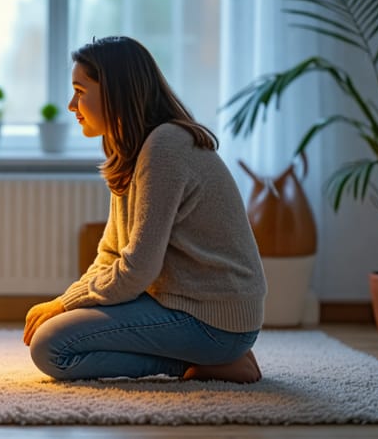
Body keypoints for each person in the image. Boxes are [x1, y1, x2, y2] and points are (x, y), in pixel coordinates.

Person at [23, 36, 266, 384]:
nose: (70, 104)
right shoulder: (133, 149)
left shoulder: (165, 145)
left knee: (52, 347)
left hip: (213, 321)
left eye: (80, 90)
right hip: (185, 308)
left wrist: (63, 306)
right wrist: (68, 300)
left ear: (114, 92)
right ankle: (211, 358)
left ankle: (207, 364)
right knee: (54, 332)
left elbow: (137, 271)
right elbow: (111, 254)